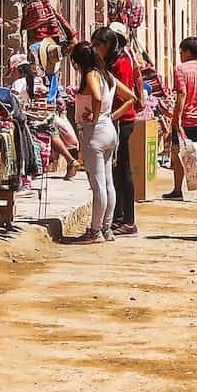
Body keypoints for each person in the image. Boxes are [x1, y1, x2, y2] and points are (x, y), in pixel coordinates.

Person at [70, 40, 134, 243]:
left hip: (95, 132)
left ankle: (95, 231)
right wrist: (110, 116)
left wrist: (96, 117)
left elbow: (96, 98)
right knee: (108, 183)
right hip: (109, 130)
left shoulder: (90, 75)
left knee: (98, 185)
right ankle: (106, 228)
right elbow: (131, 97)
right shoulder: (108, 76)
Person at [94, 25, 143, 237]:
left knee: (123, 171)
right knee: (115, 172)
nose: (96, 48)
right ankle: (119, 217)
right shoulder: (112, 61)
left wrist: (110, 117)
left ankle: (129, 221)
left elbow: (126, 96)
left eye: (99, 45)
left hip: (122, 122)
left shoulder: (122, 63)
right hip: (114, 122)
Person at [163, 36, 197, 203]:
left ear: (186, 52)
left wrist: (176, 118)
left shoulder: (180, 69)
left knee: (178, 154)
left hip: (186, 119)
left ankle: (178, 190)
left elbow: (182, 94)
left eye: (181, 51)